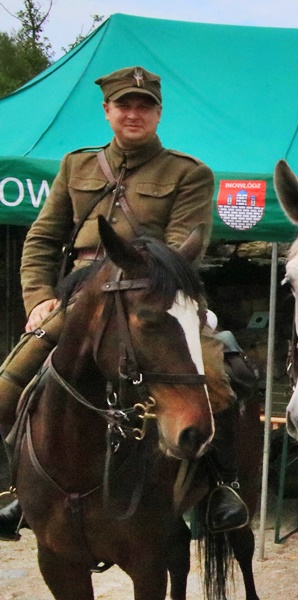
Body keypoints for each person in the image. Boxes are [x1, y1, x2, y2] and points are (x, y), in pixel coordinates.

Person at [0, 66, 248, 540]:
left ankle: (219, 487)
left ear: (158, 113)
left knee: (220, 377)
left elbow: (180, 249)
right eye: (124, 106)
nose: (134, 114)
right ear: (107, 111)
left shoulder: (189, 173)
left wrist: (137, 280)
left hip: (157, 297)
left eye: (144, 106)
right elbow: (42, 239)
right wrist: (39, 298)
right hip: (81, 301)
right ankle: (22, 491)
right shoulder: (76, 166)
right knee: (10, 387)